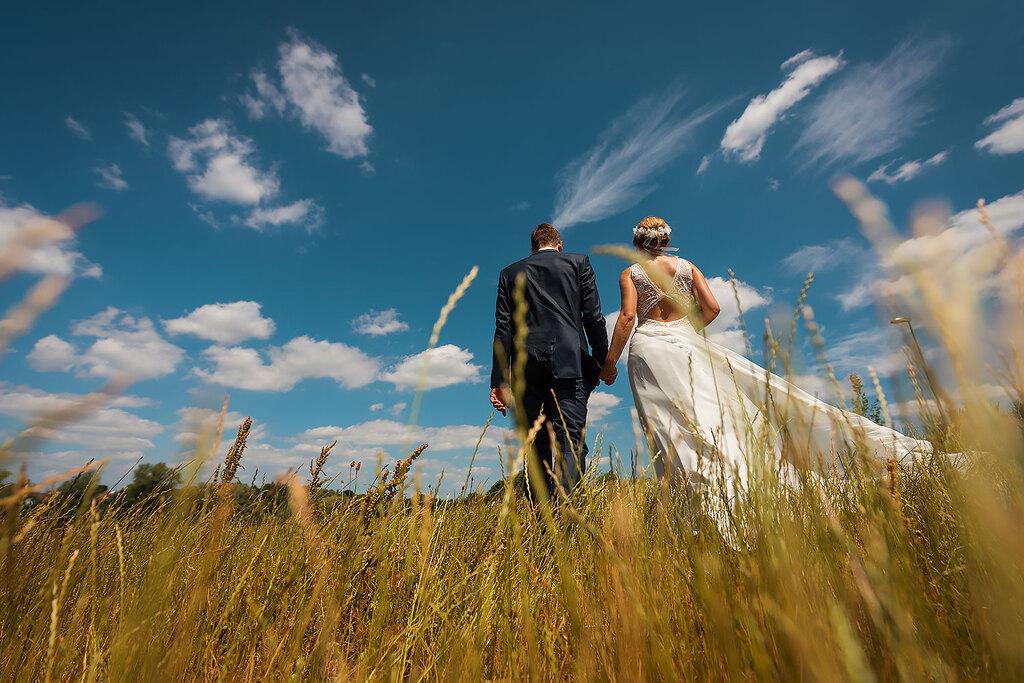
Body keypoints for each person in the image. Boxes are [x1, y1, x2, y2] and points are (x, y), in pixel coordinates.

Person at [601, 216, 930, 533]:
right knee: (712, 419)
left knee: (670, 432)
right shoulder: (687, 267)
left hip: (649, 351)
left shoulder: (630, 273)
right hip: (686, 347)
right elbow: (713, 307)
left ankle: (692, 518)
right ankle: (738, 496)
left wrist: (610, 362)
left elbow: (628, 316)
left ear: (636, 243)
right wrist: (687, 332)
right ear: (666, 241)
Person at [490, 223, 609, 498]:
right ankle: (567, 520)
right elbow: (593, 317)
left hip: (525, 369)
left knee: (535, 445)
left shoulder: (509, 273)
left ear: (532, 248)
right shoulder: (578, 263)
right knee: (570, 440)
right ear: (559, 244)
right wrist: (604, 360)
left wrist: (499, 381)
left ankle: (544, 523)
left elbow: (503, 330)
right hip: (570, 362)